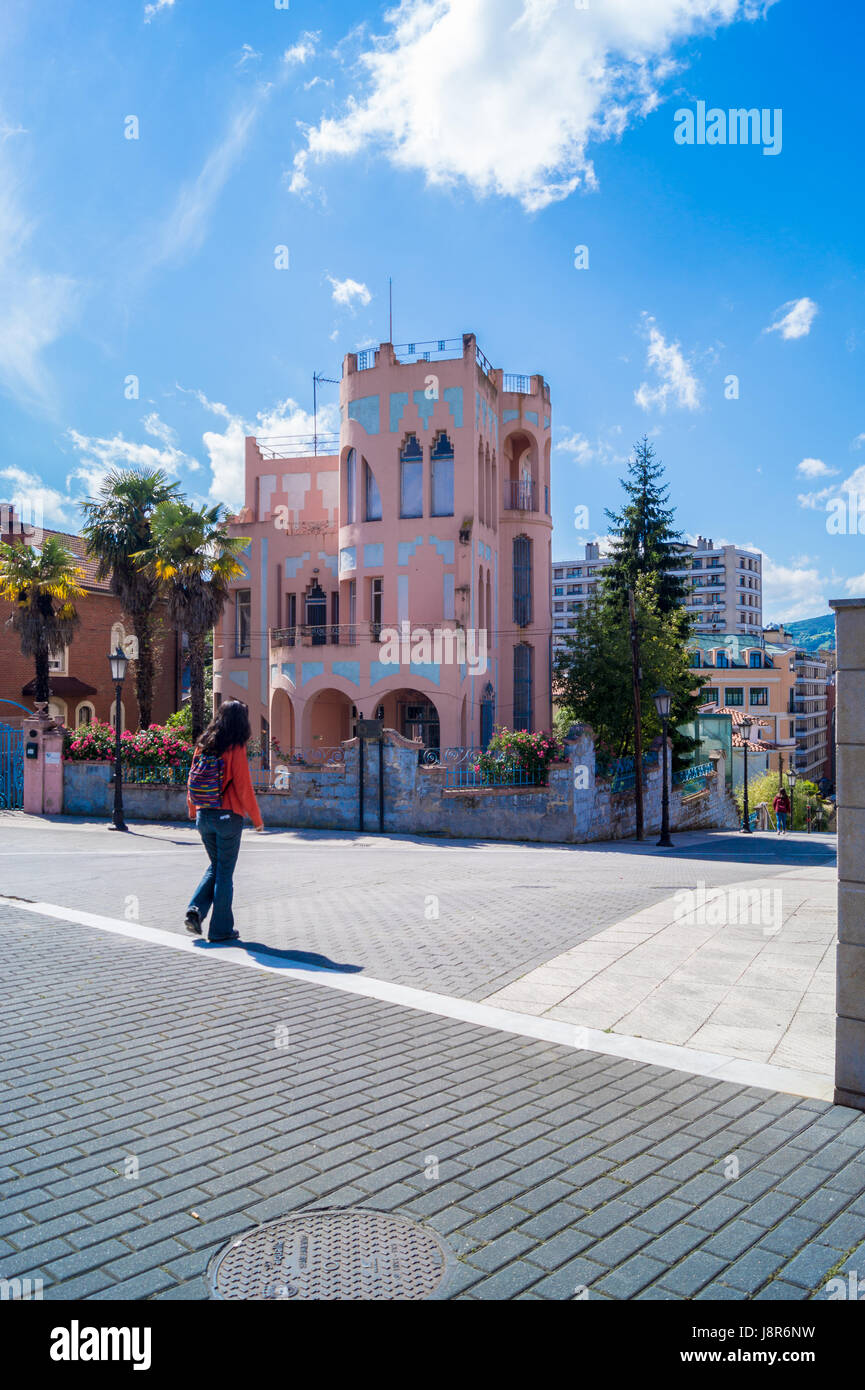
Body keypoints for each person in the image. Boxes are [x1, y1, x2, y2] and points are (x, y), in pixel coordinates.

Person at [185, 700, 264, 942]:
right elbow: (243, 786)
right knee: (224, 873)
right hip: (227, 817)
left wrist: (192, 809)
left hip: (203, 815)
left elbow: (192, 778)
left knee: (217, 866)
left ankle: (195, 910)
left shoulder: (204, 744)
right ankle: (220, 929)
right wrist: (257, 818)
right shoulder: (235, 746)